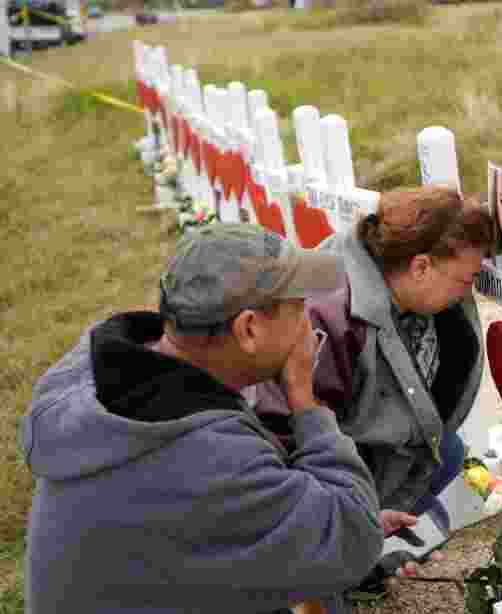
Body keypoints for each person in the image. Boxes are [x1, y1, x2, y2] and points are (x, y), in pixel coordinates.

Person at [20, 224, 417, 614]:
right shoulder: (205, 451)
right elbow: (351, 538)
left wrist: (296, 522)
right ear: (248, 329)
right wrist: (304, 399)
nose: (308, 325)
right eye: (298, 308)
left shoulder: (116, 376)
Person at [244, 185, 494, 589]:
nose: (467, 292)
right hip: (300, 481)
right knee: (443, 460)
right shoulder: (330, 320)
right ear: (421, 267)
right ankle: (341, 566)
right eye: (465, 281)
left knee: (449, 454)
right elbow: (289, 439)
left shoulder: (387, 283)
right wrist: (347, 521)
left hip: (349, 456)